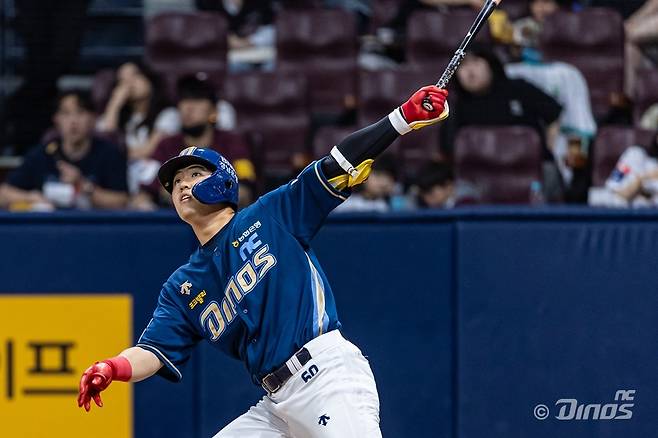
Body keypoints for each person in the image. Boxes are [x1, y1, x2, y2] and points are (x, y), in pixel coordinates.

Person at [76, 84, 449, 437]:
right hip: (276, 405)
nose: (182, 186)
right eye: (175, 184)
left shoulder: (270, 214)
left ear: (223, 182)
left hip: (326, 377)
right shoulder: (183, 285)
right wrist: (112, 367)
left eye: (193, 175)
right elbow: (152, 351)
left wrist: (401, 118)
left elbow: (338, 164)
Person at [131, 75, 255, 210]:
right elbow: (145, 192)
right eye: (184, 100)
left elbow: (244, 191)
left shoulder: (233, 142)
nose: (188, 107)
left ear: (214, 111)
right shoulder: (166, 145)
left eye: (198, 100)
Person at [0, 90, 129, 210]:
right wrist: (32, 197)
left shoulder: (109, 153)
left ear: (92, 118)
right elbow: (3, 193)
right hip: (49, 228)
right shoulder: (42, 154)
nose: (73, 121)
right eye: (66, 114)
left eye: (80, 112)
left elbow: (122, 201)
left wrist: (82, 185)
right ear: (56, 119)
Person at [96, 62, 175, 194]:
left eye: (135, 75)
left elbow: (150, 150)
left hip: (155, 183)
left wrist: (118, 155)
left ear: (148, 78)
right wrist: (115, 103)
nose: (129, 84)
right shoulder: (119, 119)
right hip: (120, 183)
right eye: (123, 81)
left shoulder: (168, 114)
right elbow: (104, 141)